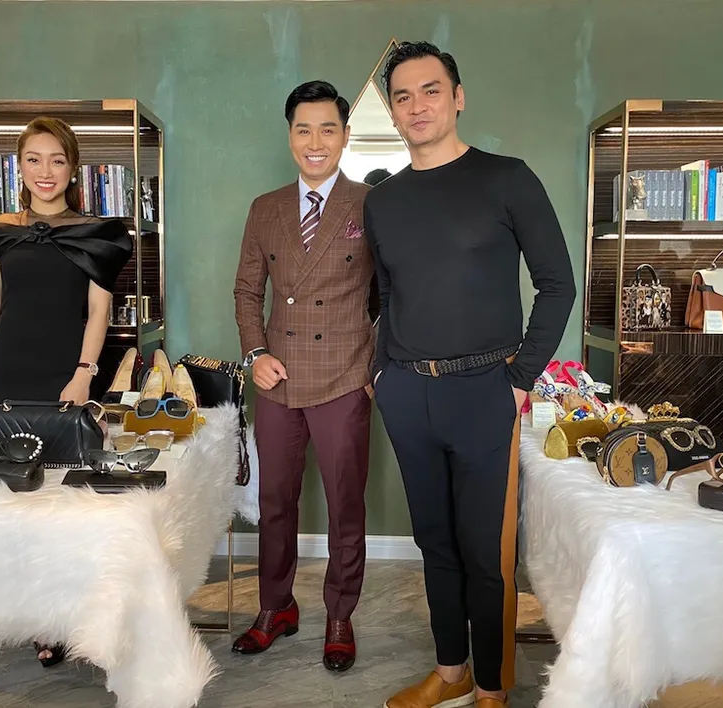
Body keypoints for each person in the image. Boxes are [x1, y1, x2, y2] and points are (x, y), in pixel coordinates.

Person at [365, 42, 576, 708]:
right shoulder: (383, 200)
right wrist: (382, 375)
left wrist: (520, 379)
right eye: (403, 96)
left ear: (458, 97)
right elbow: (384, 295)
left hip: (487, 390)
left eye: (431, 90)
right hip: (408, 391)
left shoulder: (507, 179)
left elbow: (558, 285)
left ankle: (490, 686)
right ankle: (451, 670)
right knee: (434, 540)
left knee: (485, 551)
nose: (417, 106)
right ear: (393, 112)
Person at [0, 116, 133, 667]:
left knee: (66, 501)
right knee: (16, 501)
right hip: (7, 375)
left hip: (66, 374)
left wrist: (84, 372)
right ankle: (37, 617)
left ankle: (71, 612)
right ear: (19, 167)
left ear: (73, 168)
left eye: (57, 160)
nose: (45, 171)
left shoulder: (95, 233)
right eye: (34, 160)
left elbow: (99, 311)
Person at [232, 80, 374, 673]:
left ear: (345, 135)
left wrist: (375, 367)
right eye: (303, 129)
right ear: (290, 135)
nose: (315, 142)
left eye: (328, 129)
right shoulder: (265, 208)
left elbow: (394, 292)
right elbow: (247, 291)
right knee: (275, 500)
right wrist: (255, 353)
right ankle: (276, 607)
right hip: (279, 377)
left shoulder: (370, 203)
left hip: (345, 375)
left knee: (345, 504)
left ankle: (340, 614)